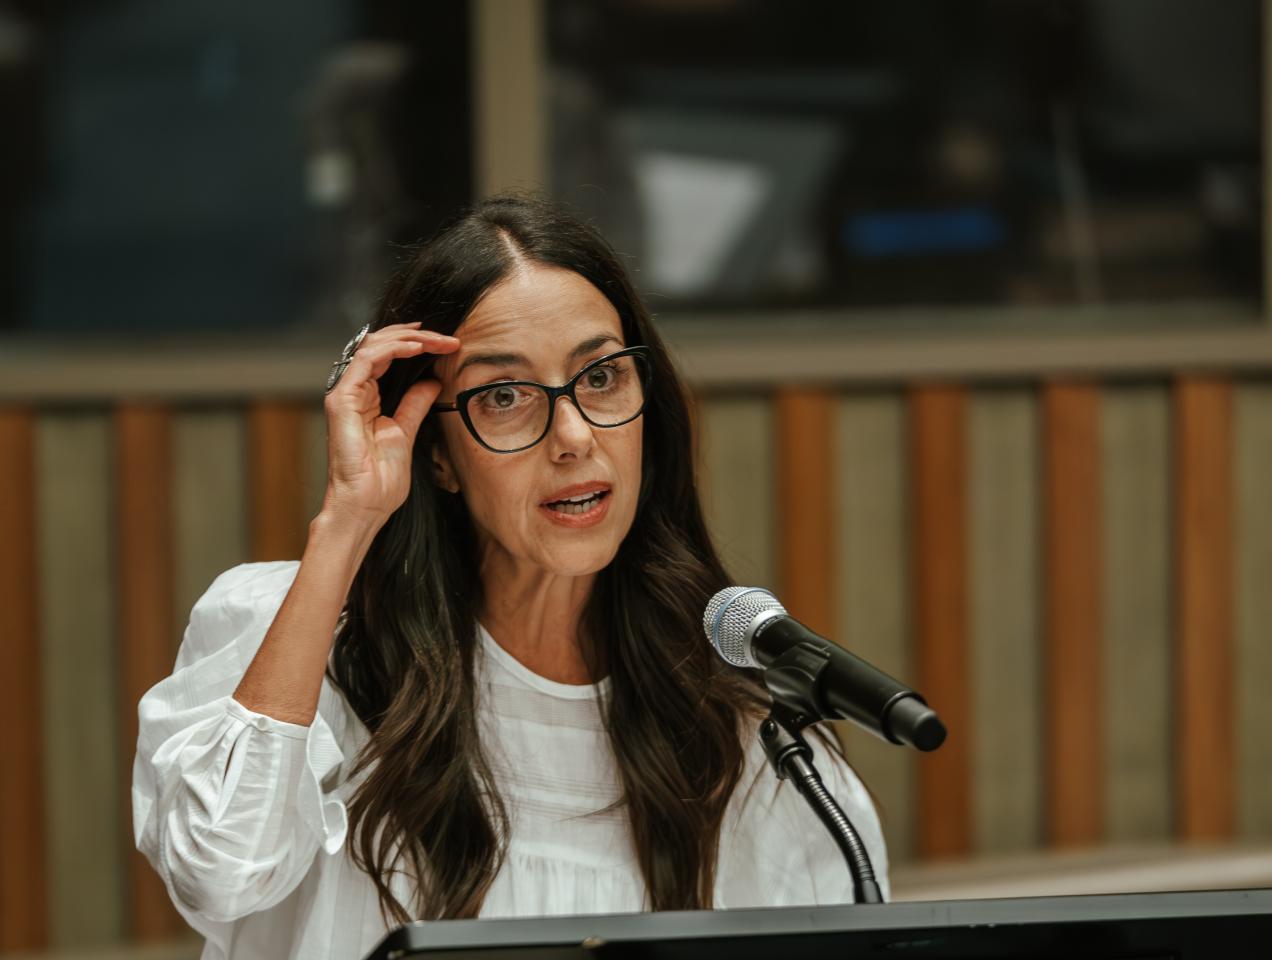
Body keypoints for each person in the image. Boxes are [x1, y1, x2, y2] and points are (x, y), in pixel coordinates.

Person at [132, 196, 888, 960]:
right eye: (503, 397)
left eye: (601, 378)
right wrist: (346, 526)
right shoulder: (302, 646)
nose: (573, 437)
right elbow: (219, 874)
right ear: (436, 453)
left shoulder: (751, 741)